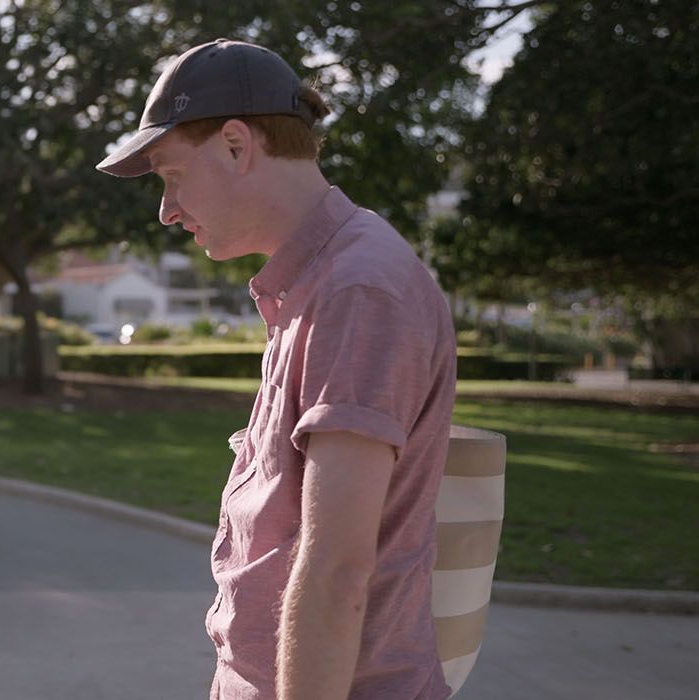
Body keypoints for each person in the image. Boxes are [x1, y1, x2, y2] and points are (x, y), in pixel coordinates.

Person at [97, 39, 457, 699]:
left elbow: (336, 570)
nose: (166, 210)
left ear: (237, 145)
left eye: (172, 175)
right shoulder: (319, 283)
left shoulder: (357, 290)